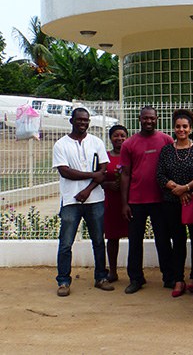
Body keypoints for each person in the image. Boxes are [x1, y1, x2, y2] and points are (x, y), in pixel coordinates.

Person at [53, 108, 113, 296]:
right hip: (71, 200)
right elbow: (65, 171)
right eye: (79, 120)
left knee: (98, 240)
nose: (83, 123)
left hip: (95, 199)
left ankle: (101, 277)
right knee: (66, 243)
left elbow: (103, 171)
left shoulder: (96, 142)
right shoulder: (61, 144)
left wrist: (87, 190)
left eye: (86, 120)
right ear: (71, 121)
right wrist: (91, 175)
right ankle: (63, 281)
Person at [121, 106, 175, 294]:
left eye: (152, 118)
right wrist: (124, 203)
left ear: (157, 118)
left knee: (163, 240)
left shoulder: (166, 140)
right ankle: (136, 278)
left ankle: (168, 277)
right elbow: (125, 175)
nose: (149, 121)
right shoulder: (129, 144)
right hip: (136, 201)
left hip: (160, 200)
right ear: (139, 119)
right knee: (135, 241)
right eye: (145, 118)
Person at [156, 109, 193, 297]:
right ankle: (179, 279)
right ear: (174, 128)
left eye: (185, 126)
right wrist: (176, 190)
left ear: (190, 128)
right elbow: (160, 175)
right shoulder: (167, 150)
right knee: (177, 241)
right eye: (178, 126)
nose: (181, 129)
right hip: (171, 202)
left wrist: (185, 188)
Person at [102, 124, 129, 283]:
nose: (119, 139)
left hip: (129, 201)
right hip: (111, 202)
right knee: (112, 238)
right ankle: (112, 271)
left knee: (134, 236)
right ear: (110, 138)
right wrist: (107, 185)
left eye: (122, 136)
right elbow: (98, 177)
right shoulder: (105, 157)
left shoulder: (131, 154)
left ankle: (135, 273)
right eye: (116, 136)